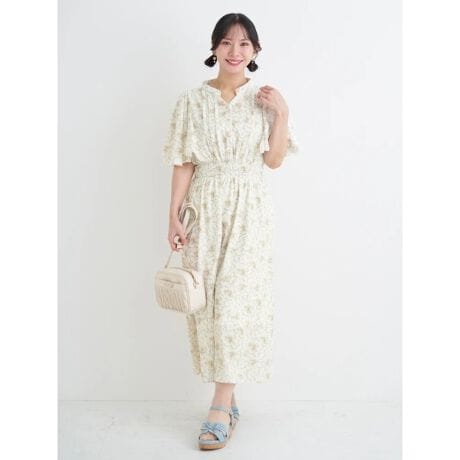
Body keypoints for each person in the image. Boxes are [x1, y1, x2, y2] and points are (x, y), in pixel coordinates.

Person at [162, 12, 299, 450]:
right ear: (214, 48)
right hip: (204, 207)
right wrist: (174, 215)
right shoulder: (191, 101)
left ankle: (220, 404)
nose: (234, 51)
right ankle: (229, 398)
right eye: (226, 42)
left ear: (255, 50)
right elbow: (184, 161)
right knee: (208, 304)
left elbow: (273, 161)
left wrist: (282, 114)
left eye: (243, 44)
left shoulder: (265, 99)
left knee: (237, 302)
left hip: (248, 209)